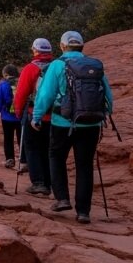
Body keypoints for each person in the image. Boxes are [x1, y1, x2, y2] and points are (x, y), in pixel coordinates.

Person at [32, 31, 113, 223]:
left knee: (56, 157)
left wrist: (36, 116)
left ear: (62, 46)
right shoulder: (94, 65)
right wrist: (104, 115)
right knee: (84, 165)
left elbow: (45, 95)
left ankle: (62, 199)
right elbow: (107, 96)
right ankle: (83, 211)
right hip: (91, 123)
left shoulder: (57, 65)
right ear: (82, 47)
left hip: (62, 121)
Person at [13, 38, 56, 196]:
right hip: (55, 116)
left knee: (32, 148)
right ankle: (49, 183)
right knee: (48, 150)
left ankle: (38, 183)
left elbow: (21, 93)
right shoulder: (57, 66)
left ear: (35, 51)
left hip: (33, 114)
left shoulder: (30, 68)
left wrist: (18, 112)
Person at [0, 64, 21, 168]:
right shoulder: (21, 82)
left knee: (8, 138)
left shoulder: (2, 85)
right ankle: (25, 160)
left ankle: (10, 159)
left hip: (7, 117)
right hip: (21, 116)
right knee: (22, 138)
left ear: (5, 74)